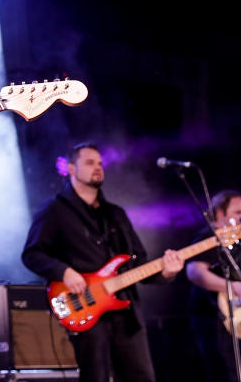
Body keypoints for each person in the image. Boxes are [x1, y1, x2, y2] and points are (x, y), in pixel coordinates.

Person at [21, 143, 185, 382]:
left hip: (127, 313)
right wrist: (64, 272)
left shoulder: (116, 214)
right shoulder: (55, 210)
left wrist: (167, 273)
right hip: (86, 310)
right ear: (71, 169)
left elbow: (138, 263)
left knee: (142, 376)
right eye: (89, 163)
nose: (98, 168)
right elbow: (32, 254)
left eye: (100, 163)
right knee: (95, 376)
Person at [186, 189, 241, 382]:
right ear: (219, 214)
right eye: (238, 213)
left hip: (237, 320)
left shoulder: (236, 239)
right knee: (226, 373)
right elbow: (195, 272)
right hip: (213, 318)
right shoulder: (208, 239)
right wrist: (232, 287)